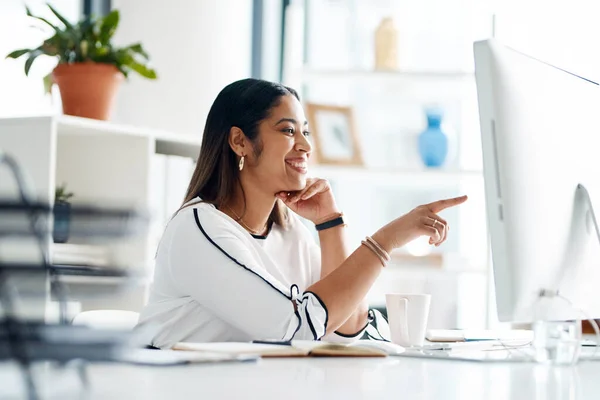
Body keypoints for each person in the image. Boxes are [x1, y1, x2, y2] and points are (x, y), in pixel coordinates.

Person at [138, 78, 467, 348]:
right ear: (240, 142)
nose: (306, 146)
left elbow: (347, 326)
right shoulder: (199, 227)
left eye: (305, 132)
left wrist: (330, 223)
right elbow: (296, 326)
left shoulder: (287, 230)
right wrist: (387, 240)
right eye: (288, 131)